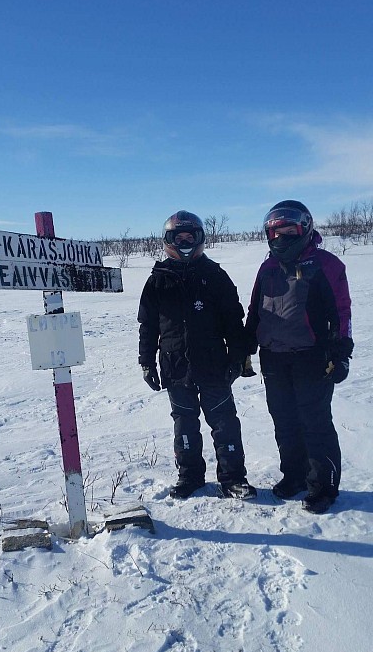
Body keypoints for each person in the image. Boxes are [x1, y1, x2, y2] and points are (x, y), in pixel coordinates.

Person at [138, 210, 256, 500]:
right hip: (175, 365)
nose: (185, 241)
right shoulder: (158, 281)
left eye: (190, 236)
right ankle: (190, 476)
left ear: (200, 238)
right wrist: (146, 362)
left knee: (224, 422)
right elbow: (148, 326)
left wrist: (238, 356)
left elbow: (233, 319)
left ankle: (233, 479)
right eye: (179, 237)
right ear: (168, 240)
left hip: (214, 364)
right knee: (185, 423)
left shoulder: (215, 275)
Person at [245, 200, 354, 514]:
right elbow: (256, 311)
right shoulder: (267, 268)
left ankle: (323, 487)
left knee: (315, 423)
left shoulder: (327, 265)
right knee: (284, 421)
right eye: (275, 232)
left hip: (312, 357)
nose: (281, 237)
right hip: (274, 358)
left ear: (304, 228)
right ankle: (294, 475)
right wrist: (244, 349)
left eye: (288, 230)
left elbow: (342, 313)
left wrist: (341, 352)